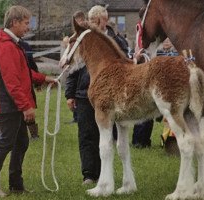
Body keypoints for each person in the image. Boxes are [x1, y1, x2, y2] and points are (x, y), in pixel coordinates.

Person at [0, 5, 55, 197]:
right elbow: (12, 82)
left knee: (21, 142)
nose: (28, 27)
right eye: (26, 23)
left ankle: (16, 185)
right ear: (15, 22)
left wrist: (43, 78)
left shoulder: (11, 43)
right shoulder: (7, 46)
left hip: (10, 103)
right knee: (7, 142)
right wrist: (26, 107)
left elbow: (22, 73)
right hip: (6, 104)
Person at [65, 6, 128, 185]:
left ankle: (104, 174)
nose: (92, 24)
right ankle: (89, 175)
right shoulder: (84, 40)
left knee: (107, 135)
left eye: (95, 20)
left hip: (110, 96)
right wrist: (70, 94)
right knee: (86, 135)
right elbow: (73, 69)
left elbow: (127, 63)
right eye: (90, 20)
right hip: (84, 94)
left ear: (104, 20)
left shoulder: (117, 41)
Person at [131, 7, 154, 148]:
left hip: (146, 68)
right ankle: (139, 140)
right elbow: (140, 49)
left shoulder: (143, 30)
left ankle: (144, 139)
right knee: (144, 106)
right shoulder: (142, 30)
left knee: (149, 107)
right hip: (144, 69)